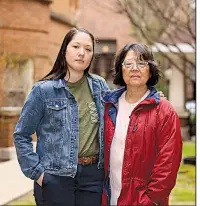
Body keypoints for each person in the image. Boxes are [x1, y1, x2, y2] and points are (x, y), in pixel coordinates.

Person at [13, 28, 110, 206]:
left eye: (88, 49)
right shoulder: (43, 90)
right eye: (76, 46)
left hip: (92, 178)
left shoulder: (100, 86)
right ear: (64, 49)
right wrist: (39, 174)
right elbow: (21, 135)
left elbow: (122, 107)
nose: (82, 53)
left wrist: (151, 97)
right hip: (55, 178)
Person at [102, 43, 182, 206]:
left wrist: (150, 200)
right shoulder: (108, 106)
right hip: (109, 198)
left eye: (141, 63)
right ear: (121, 69)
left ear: (150, 69)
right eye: (128, 64)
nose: (135, 69)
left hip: (144, 201)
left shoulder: (164, 111)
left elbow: (168, 164)